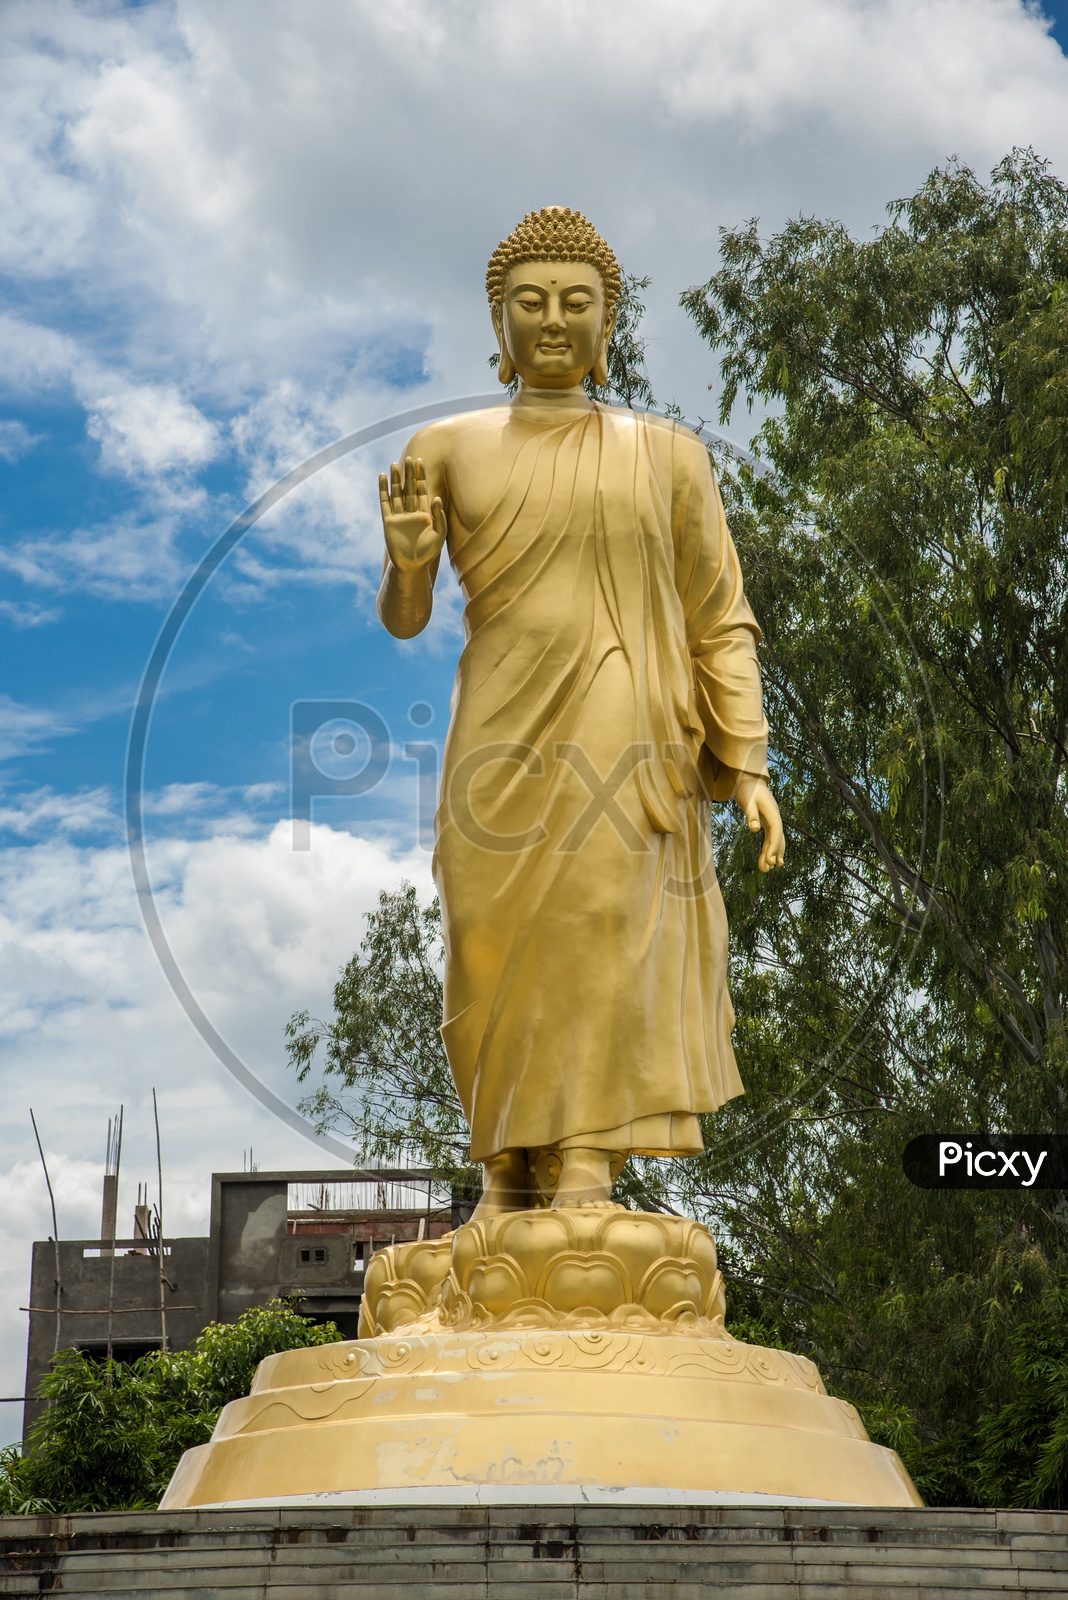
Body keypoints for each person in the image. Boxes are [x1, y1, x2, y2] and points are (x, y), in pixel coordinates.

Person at [376, 207, 784, 1216]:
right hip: (499, 725)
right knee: (484, 940)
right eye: (530, 303)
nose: (553, 321)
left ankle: (592, 1173)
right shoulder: (449, 445)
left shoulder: (670, 455)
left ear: (611, 322)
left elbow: (718, 618)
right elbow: (405, 618)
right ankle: (507, 1175)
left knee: (603, 918)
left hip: (621, 705)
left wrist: (751, 761)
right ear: (497, 320)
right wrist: (409, 560)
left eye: (576, 302)